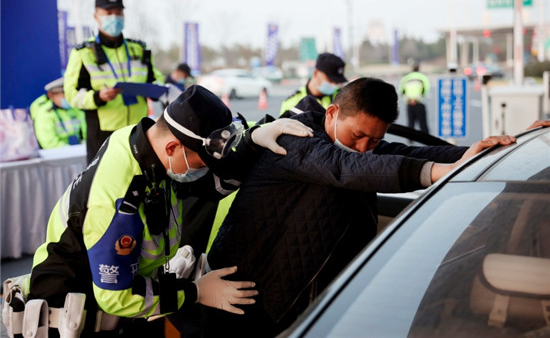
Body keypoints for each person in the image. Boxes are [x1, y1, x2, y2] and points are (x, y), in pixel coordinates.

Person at [204, 77, 519, 337]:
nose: (364, 148)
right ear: (332, 114)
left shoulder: (360, 147)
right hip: (241, 303)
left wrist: (484, 151)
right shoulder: (293, 139)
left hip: (300, 306)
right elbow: (344, 167)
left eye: (373, 140)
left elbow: (393, 153)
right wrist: (435, 172)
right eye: (357, 135)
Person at [26, 85, 312, 337]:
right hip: (73, 319)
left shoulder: (144, 144)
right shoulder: (118, 201)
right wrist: (196, 293)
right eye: (202, 164)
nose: (205, 171)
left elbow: (205, 182)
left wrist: (252, 139)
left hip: (118, 313)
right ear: (173, 146)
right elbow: (117, 297)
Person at [64, 0, 164, 164]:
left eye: (118, 13)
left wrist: (155, 90)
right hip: (103, 133)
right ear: (96, 16)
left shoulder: (139, 49)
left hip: (138, 130)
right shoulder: (83, 52)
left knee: (141, 185)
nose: (114, 17)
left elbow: (157, 79)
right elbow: (71, 94)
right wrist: (97, 97)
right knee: (106, 185)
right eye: (108, 13)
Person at [279, 52, 347, 118]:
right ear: (316, 73)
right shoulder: (292, 102)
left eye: (337, 82)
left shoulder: (342, 98)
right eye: (330, 80)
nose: (334, 85)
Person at [30, 77, 86, 149]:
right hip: (58, 155)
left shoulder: (76, 108)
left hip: (80, 152)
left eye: (68, 94)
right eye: (63, 94)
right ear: (51, 95)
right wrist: (70, 151)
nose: (67, 98)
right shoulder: (45, 113)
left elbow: (86, 134)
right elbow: (49, 143)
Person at [398, 61, 431, 133]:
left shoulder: (406, 78)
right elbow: (426, 90)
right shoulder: (423, 77)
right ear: (419, 68)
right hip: (419, 104)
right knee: (423, 124)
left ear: (412, 68)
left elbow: (401, 91)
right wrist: (416, 99)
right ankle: (426, 141)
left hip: (409, 103)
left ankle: (410, 141)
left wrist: (409, 100)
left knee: (410, 124)